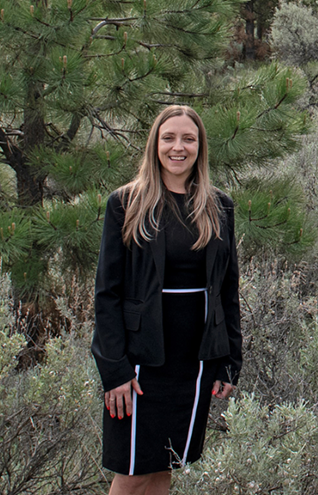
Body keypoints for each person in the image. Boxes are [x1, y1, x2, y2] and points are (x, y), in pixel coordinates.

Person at [93, 105, 245, 494]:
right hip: (141, 360)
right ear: (155, 145)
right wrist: (115, 370)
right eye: (169, 138)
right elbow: (107, 293)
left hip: (194, 361)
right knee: (133, 469)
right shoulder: (126, 203)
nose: (178, 147)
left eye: (188, 139)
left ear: (200, 147)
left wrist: (229, 360)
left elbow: (227, 291)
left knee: (164, 466)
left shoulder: (219, 205)